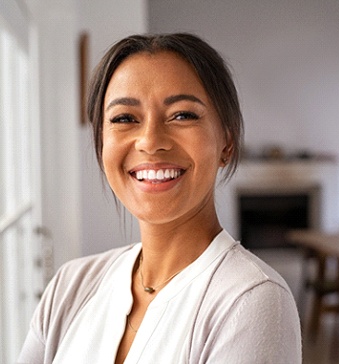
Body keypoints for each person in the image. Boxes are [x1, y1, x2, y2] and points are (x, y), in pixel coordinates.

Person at [18, 33, 301, 363]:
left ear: (226, 141)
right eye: (125, 118)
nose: (150, 142)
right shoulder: (69, 288)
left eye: (182, 115)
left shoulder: (251, 301)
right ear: (101, 144)